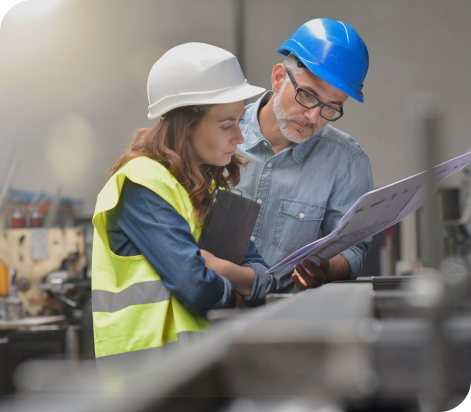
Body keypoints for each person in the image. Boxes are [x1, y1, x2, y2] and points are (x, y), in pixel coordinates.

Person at [91, 43, 268, 373]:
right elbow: (196, 287)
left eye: (239, 122)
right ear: (186, 125)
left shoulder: (205, 187)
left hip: (195, 371)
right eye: (227, 124)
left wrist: (223, 270)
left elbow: (262, 273)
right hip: (146, 379)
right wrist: (241, 295)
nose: (240, 138)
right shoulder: (140, 184)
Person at [234, 18, 374, 303]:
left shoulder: (347, 162)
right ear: (278, 78)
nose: (313, 117)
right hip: (201, 320)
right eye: (308, 96)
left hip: (286, 324)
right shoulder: (222, 131)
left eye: (331, 108)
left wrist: (325, 268)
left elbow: (353, 250)